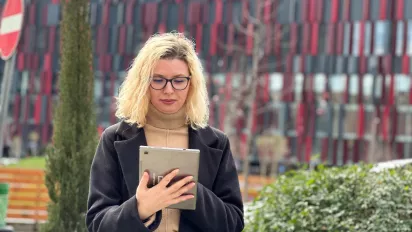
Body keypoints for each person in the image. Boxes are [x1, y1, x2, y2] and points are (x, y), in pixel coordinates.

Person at [86, 32, 244, 232]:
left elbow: (233, 223)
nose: (169, 90)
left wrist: (190, 191)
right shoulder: (114, 139)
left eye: (178, 81)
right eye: (158, 80)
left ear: (191, 83)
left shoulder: (216, 142)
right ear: (143, 83)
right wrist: (141, 208)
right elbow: (97, 224)